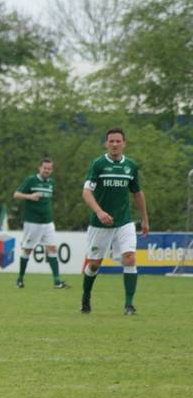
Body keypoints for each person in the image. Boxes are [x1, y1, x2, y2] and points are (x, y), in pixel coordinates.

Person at [80, 128, 149, 315]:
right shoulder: (98, 164)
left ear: (124, 143)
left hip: (124, 222)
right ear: (106, 144)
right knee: (94, 264)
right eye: (111, 141)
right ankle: (86, 298)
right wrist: (99, 211)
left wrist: (144, 218)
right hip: (100, 224)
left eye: (118, 141)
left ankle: (129, 305)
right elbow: (86, 192)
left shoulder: (131, 166)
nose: (115, 144)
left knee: (130, 258)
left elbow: (137, 193)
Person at [13, 158, 68, 290]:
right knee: (28, 249)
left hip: (48, 222)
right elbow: (16, 194)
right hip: (32, 222)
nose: (47, 171)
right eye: (45, 168)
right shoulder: (31, 180)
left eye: (49, 169)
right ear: (39, 168)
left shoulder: (51, 182)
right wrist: (29, 196)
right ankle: (20, 279)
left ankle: (57, 282)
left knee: (52, 248)